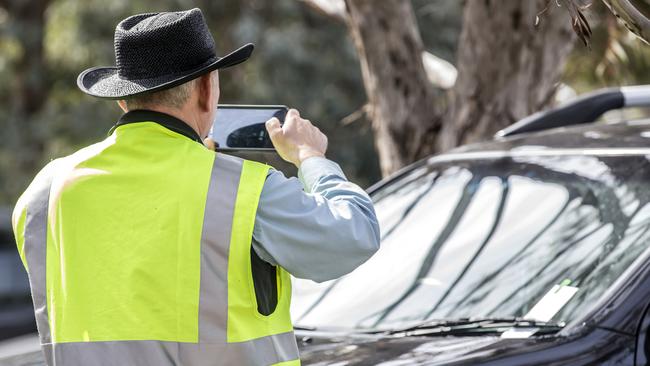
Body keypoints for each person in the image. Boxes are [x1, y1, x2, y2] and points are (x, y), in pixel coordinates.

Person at [11, 8, 380, 366]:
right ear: (207, 89)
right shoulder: (240, 191)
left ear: (122, 100)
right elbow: (354, 233)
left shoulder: (44, 192)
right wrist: (310, 157)